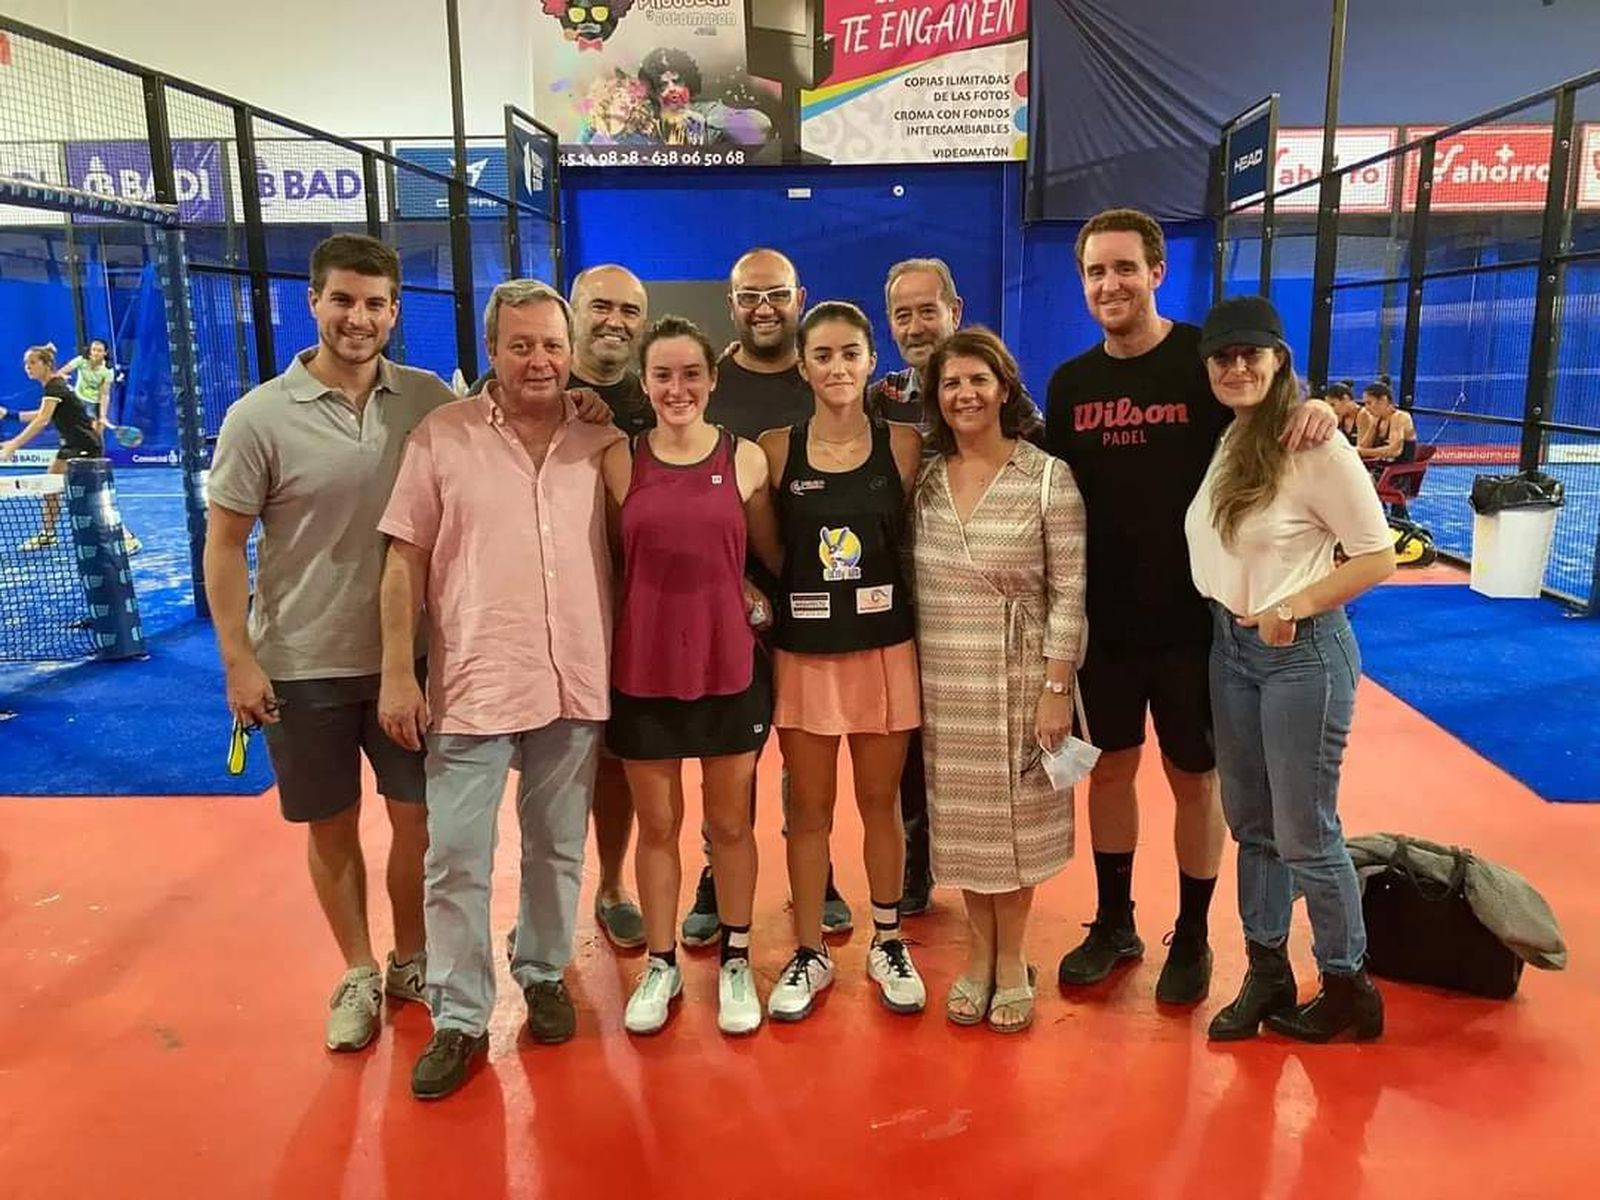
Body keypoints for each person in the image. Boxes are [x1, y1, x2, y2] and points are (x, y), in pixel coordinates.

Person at [1044, 208, 1335, 1007]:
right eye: (1095, 271)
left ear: (1157, 272)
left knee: (1194, 780)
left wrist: (1316, 406)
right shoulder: (1070, 384)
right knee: (1108, 770)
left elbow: (1266, 402)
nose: (1110, 284)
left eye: (1124, 268)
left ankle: (1196, 934)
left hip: (1196, 624)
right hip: (1105, 625)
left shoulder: (1203, 358)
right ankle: (1115, 923)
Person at [203, 235, 453, 1053]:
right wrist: (239, 661)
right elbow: (224, 545)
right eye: (343, 299)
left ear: (395, 312)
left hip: (409, 662)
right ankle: (357, 969)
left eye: (375, 303)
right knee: (332, 824)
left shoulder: (426, 401)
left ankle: (411, 959)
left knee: (419, 820)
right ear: (313, 301)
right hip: (301, 664)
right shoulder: (257, 417)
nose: (358, 318)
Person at [377, 279, 622, 1101]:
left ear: (571, 351)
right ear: (492, 351)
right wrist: (397, 671)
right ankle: (458, 1014)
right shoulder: (440, 437)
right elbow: (404, 559)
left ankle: (543, 969)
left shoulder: (601, 439)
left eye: (552, 345)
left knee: (558, 844)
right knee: (455, 856)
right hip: (472, 682)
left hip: (574, 676)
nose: (539, 361)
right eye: (521, 346)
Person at [1185, 295, 1396, 1042]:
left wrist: (1295, 602)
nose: (1237, 367)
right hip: (1232, 649)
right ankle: (1267, 969)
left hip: (1299, 654)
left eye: (1252, 354)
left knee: (1306, 830)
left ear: (1279, 360)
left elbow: (1378, 556)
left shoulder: (1318, 447)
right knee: (1253, 825)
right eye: (1223, 357)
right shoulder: (1235, 434)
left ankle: (1348, 986)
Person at [603, 315, 783, 1037]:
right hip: (642, 668)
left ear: (712, 379)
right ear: (645, 383)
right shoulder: (619, 461)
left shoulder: (747, 460)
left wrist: (756, 592)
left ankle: (736, 958)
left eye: (690, 374)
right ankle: (661, 962)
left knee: (730, 824)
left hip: (727, 664)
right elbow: (609, 563)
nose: (677, 388)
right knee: (658, 825)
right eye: (663, 375)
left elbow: (768, 554)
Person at [912, 327, 1087, 1032]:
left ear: (1005, 388)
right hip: (943, 680)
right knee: (966, 829)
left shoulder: (1047, 476)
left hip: (1020, 679)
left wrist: (1055, 688)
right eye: (951, 383)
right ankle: (977, 954)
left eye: (978, 380)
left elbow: (1069, 592)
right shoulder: (925, 481)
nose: (965, 395)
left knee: (1017, 829)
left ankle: (1011, 959)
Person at [758, 301, 926, 1022]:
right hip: (806, 654)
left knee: (881, 803)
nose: (836, 367)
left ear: (869, 361)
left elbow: (912, 539)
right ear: (803, 366)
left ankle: (888, 940)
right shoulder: (774, 448)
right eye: (822, 355)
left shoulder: (905, 445)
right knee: (808, 809)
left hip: (885, 649)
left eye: (850, 353)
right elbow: (771, 551)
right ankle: (808, 951)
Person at [866, 256, 1042, 918]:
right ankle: (919, 858)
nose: (916, 325)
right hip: (905, 602)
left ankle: (995, 866)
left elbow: (1045, 488)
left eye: (926, 310)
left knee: (986, 746)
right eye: (902, 314)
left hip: (987, 612)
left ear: (955, 311)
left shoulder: (1003, 398)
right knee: (911, 745)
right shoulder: (879, 400)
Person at [685, 247, 852, 945]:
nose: (763, 309)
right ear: (730, 305)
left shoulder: (824, 377)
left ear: (799, 298)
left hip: (817, 594)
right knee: (730, 752)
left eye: (776, 295)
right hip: (726, 601)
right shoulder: (707, 385)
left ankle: (818, 872)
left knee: (809, 748)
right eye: (749, 296)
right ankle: (716, 873)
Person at [569, 263, 653, 951]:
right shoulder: (521, 388)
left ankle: (613, 886)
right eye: (601, 306)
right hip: (542, 617)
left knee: (617, 761)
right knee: (547, 765)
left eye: (629, 310)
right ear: (574, 309)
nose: (614, 321)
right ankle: (544, 899)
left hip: (629, 616)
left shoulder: (653, 400)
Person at [1, 344, 125, 553]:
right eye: (26, 364)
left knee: (92, 495)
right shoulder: (54, 386)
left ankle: (126, 536)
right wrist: (8, 415)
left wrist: (14, 444)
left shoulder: (55, 387)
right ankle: (48, 534)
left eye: (33, 362)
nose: (28, 367)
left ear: (46, 364)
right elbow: (41, 414)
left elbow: (42, 421)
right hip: (71, 445)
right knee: (50, 486)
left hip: (85, 445)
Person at [1357, 380, 1417, 518]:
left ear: (1383, 400)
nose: (1366, 408)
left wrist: (1362, 451)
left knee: (1359, 481)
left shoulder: (1400, 417)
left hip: (1399, 475)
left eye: (1369, 403)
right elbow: (1363, 447)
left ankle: (1376, 515)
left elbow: (1394, 451)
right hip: (1381, 470)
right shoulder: (1377, 419)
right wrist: (1372, 426)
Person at [55, 338, 115, 429]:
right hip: (78, 398)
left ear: (105, 353)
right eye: (93, 350)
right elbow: (62, 371)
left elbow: (105, 394)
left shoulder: (108, 371)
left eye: (99, 351)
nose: (95, 353)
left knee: (95, 431)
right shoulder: (81, 360)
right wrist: (62, 376)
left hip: (94, 403)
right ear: (90, 351)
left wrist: (103, 416)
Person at [1325, 380, 1364, 446]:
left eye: (1333, 405)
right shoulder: (1339, 417)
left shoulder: (1363, 414)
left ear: (1345, 399)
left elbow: (1362, 446)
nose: (1332, 409)